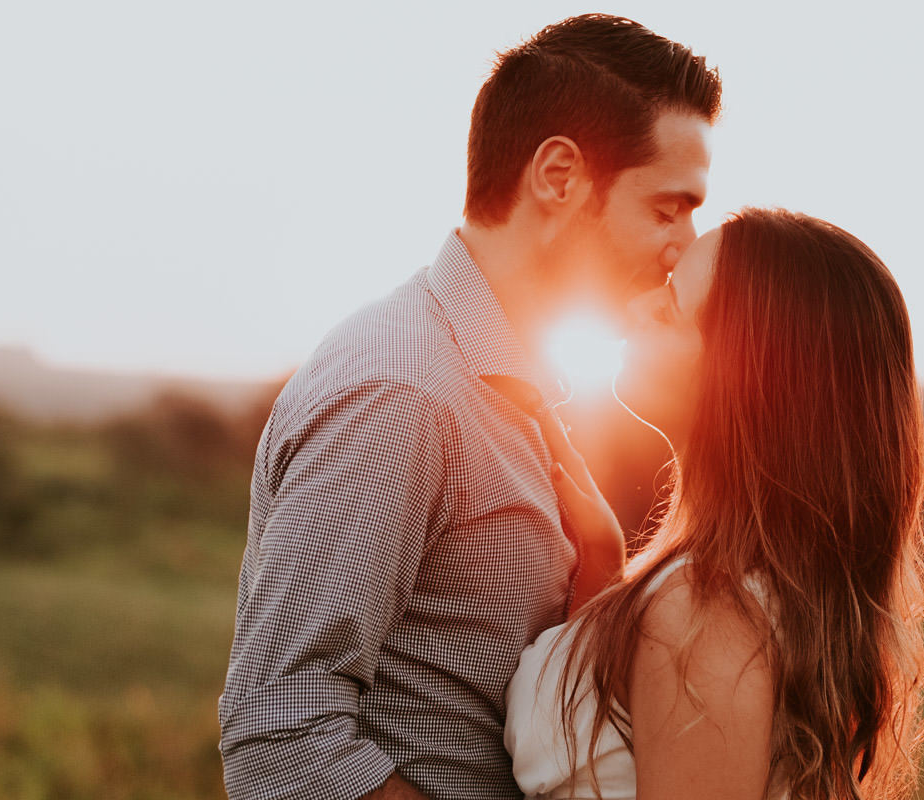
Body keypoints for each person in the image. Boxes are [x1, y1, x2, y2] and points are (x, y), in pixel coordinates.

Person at [216, 14, 721, 800]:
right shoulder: (403, 393)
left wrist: (595, 597)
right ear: (558, 176)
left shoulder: (504, 383)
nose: (685, 245)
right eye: (667, 208)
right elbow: (282, 736)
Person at [505, 208, 924, 800]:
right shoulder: (719, 598)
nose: (634, 310)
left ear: (740, 375)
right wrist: (603, 581)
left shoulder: (707, 611)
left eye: (666, 309)